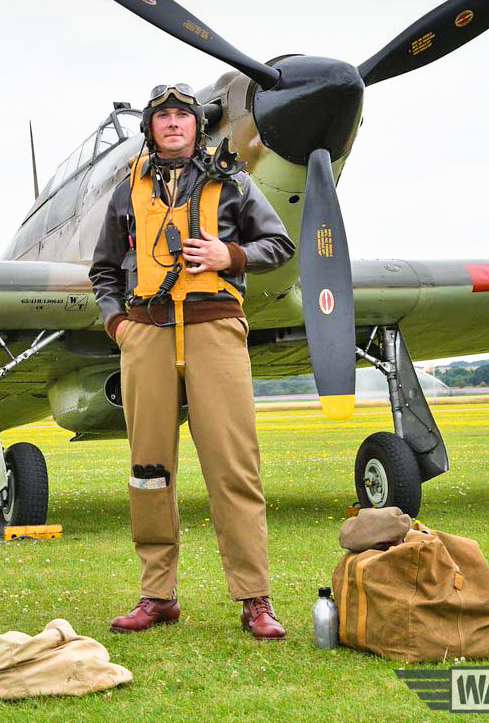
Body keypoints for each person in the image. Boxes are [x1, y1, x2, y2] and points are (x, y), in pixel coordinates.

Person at [88, 84, 296, 639]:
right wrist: (119, 325)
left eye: (182, 115)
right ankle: (157, 595)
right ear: (151, 128)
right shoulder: (125, 192)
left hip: (215, 330)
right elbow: (104, 269)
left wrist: (233, 254)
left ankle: (255, 598)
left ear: (196, 125)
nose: (173, 123)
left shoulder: (233, 182)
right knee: (149, 469)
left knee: (234, 466)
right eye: (163, 116)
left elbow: (279, 244)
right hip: (147, 333)